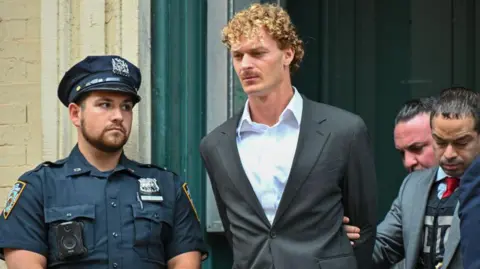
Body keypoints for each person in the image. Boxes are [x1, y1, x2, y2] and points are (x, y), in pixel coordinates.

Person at [199, 3, 377, 269]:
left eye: (258, 53)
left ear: (288, 54)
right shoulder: (216, 145)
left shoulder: (344, 131)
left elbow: (363, 229)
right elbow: (235, 230)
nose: (246, 65)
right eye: (238, 55)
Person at [0, 55, 208, 268]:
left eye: (126, 107)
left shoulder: (167, 186)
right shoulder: (39, 187)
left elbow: (185, 262)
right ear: (75, 114)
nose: (118, 116)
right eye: (105, 104)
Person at [345, 87, 479, 269]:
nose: (449, 153)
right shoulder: (413, 185)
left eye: (461, 143)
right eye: (440, 142)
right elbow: (382, 248)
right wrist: (335, 239)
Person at [345, 97, 437, 269]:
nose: (408, 162)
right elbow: (381, 247)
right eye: (402, 153)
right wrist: (332, 240)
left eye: (417, 148)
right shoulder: (411, 188)